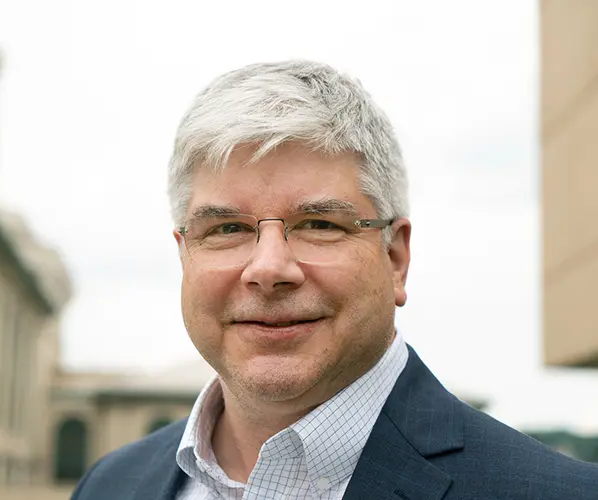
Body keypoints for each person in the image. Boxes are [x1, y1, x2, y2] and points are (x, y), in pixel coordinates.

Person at [71, 60, 598, 499]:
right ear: (184, 257)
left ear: (395, 257)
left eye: (319, 224)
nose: (268, 269)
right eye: (227, 228)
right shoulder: (110, 486)